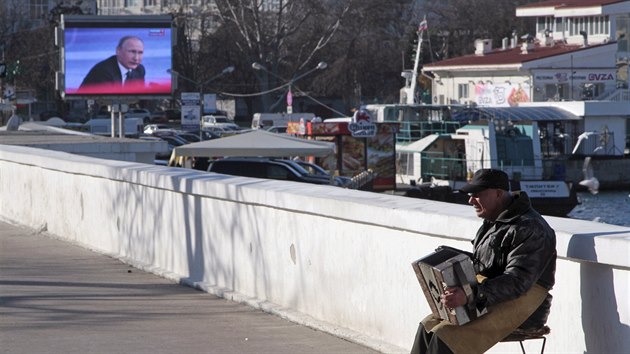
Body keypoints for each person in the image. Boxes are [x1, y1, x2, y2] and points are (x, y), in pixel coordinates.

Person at [411, 169, 556, 354]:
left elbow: (518, 281)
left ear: (498, 193)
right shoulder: (493, 220)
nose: (471, 200)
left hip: (525, 306)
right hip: (490, 296)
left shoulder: (530, 227)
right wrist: (450, 259)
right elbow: (487, 264)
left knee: (446, 337)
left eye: (477, 194)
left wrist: (469, 295)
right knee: (427, 328)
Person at [80, 36, 146, 89]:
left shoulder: (139, 70)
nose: (136, 58)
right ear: (118, 51)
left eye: (140, 53)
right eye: (132, 52)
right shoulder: (104, 71)